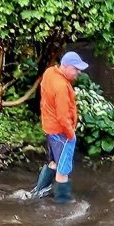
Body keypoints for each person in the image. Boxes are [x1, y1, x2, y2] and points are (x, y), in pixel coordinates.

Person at [32, 52, 87, 203]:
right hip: (61, 132)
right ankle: (63, 205)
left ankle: (38, 193)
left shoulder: (50, 72)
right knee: (63, 171)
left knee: (54, 163)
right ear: (67, 67)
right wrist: (71, 135)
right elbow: (63, 117)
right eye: (76, 69)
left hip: (49, 129)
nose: (79, 72)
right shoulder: (62, 87)